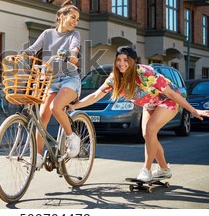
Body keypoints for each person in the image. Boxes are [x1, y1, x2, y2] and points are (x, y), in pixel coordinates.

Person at [70, 46, 209, 181]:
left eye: (126, 60)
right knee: (147, 135)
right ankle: (164, 169)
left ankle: (146, 170)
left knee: (150, 130)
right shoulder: (115, 78)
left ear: (133, 61)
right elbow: (95, 96)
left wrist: (193, 110)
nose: (121, 63)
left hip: (168, 101)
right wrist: (75, 105)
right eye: (119, 59)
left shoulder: (146, 73)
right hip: (149, 104)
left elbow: (171, 93)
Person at [22, 0, 82, 169]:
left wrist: (72, 56)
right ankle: (38, 156)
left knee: (56, 107)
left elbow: (74, 47)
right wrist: (24, 55)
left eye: (77, 19)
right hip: (50, 80)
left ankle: (72, 137)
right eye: (72, 17)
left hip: (69, 79)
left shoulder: (74, 35)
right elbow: (33, 49)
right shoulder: (47, 34)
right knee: (42, 119)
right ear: (61, 17)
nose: (75, 22)